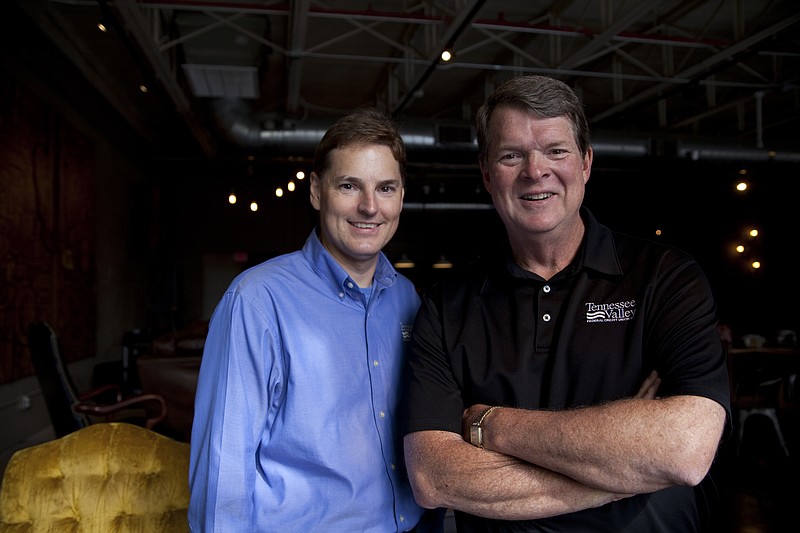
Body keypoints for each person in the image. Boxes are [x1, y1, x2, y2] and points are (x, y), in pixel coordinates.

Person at [403, 75, 731, 532]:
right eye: (511, 155)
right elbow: (434, 477)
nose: (535, 171)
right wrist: (622, 475)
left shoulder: (665, 277)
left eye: (556, 150)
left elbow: (685, 449)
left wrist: (492, 426)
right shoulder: (445, 307)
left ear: (586, 163)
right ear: (486, 172)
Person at [189, 108, 435, 531]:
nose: (369, 207)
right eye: (349, 186)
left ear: (401, 197)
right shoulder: (256, 300)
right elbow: (223, 469)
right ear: (317, 192)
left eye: (386, 188)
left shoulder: (406, 298)